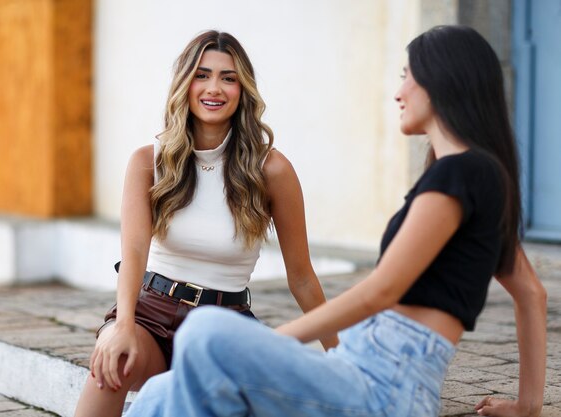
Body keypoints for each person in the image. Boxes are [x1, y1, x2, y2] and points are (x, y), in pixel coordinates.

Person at [125, 25, 547, 417]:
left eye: (407, 75)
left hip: (389, 383)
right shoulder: (477, 176)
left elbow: (381, 291)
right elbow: (530, 292)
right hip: (363, 367)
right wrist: (527, 406)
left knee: (207, 334)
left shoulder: (462, 174)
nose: (399, 91)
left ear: (441, 82)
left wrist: (268, 345)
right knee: (160, 393)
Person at [73, 30, 337, 417]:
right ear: (185, 83)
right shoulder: (149, 161)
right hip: (152, 314)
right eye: (202, 74)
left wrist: (341, 356)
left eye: (228, 78)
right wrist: (122, 326)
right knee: (110, 367)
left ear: (242, 89)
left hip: (225, 324)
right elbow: (132, 252)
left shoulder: (272, 169)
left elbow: (301, 277)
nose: (214, 88)